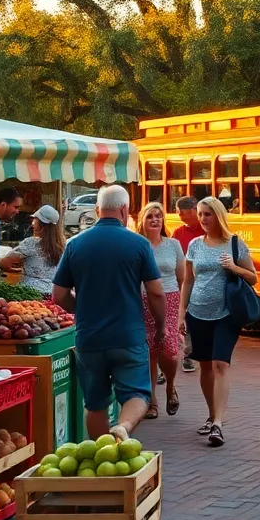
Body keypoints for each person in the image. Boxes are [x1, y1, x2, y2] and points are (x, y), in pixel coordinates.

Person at [52, 185, 165, 441]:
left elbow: (58, 295)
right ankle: (123, 427)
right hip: (128, 336)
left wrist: (81, 311)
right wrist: (161, 326)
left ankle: (102, 458)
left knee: (94, 403)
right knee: (137, 394)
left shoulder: (75, 244)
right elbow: (156, 293)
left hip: (89, 338)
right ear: (125, 210)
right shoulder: (139, 244)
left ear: (97, 210)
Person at [180, 196, 257, 447]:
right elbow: (188, 281)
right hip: (198, 313)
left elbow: (253, 278)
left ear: (218, 215)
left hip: (226, 314)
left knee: (220, 364)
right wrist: (182, 312)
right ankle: (212, 414)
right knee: (205, 366)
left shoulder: (234, 243)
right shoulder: (194, 245)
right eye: (200, 214)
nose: (202, 219)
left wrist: (234, 267)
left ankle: (218, 424)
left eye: (207, 214)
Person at [136, 202, 186, 420]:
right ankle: (152, 400)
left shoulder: (173, 244)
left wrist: (182, 310)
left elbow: (182, 277)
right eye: (150, 217)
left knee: (169, 350)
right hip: (143, 299)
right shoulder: (137, 244)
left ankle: (171, 386)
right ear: (142, 221)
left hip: (170, 298)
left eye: (158, 216)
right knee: (149, 351)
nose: (155, 220)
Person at [0, 205, 65, 296]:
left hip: (30, 294)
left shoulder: (31, 243)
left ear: (41, 224)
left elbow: (4, 263)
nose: (32, 223)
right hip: (53, 294)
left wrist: (17, 270)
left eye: (35, 219)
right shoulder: (64, 246)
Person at [171, 197, 204, 375]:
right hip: (185, 282)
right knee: (186, 318)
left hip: (204, 281)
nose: (178, 215)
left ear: (192, 210)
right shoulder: (177, 233)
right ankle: (187, 355)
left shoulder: (205, 229)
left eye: (181, 212)